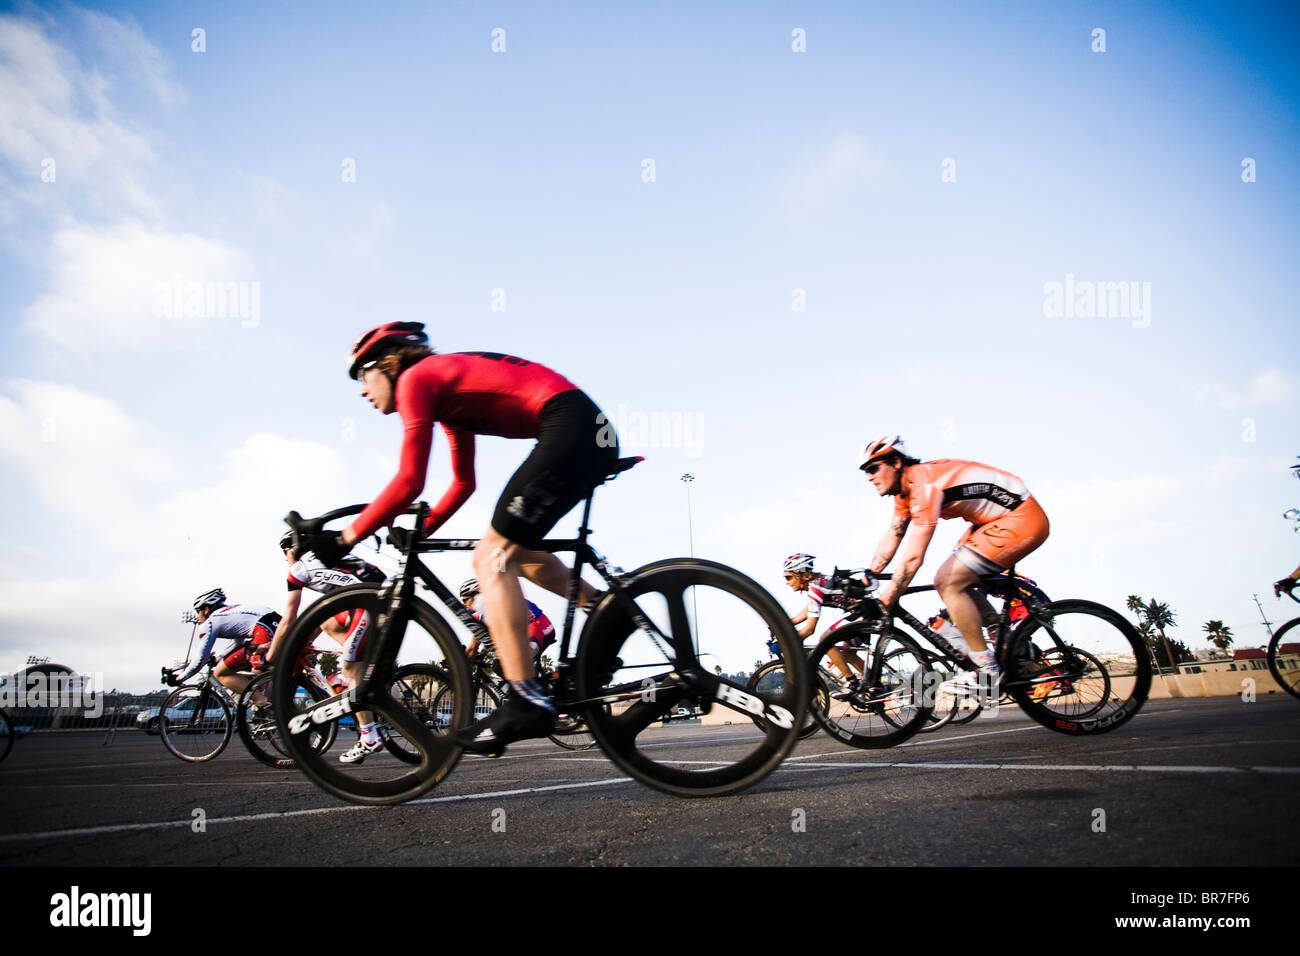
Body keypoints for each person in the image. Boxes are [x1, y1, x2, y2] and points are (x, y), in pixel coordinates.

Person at [296, 322, 618, 754]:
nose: (361, 390)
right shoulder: (445, 394)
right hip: (582, 427)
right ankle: (604, 609)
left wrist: (344, 539)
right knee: (515, 552)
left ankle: (525, 698)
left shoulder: (416, 379)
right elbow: (463, 483)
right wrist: (421, 533)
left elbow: (410, 480)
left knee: (490, 559)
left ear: (387, 363)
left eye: (362, 375)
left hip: (569, 425)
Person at [859, 435, 1050, 695]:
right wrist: (868, 576)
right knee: (959, 577)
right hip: (991, 522)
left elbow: (914, 557)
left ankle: (986, 671)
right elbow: (894, 533)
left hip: (1020, 517)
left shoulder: (924, 485)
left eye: (873, 468)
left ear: (895, 462)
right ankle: (1006, 641)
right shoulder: (904, 493)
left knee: (948, 580)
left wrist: (888, 597)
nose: (869, 476)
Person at [265, 531, 388, 764]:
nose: (285, 559)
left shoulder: (298, 570)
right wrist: (305, 641)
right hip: (380, 594)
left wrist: (271, 656)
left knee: (351, 672)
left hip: (367, 602)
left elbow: (288, 619)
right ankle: (364, 662)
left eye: (285, 553)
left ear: (292, 549)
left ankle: (369, 737)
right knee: (327, 620)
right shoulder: (322, 556)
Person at [166, 588, 281, 699]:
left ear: (206, 610)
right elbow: (236, 644)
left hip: (264, 631)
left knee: (220, 673)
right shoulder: (231, 613)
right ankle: (273, 704)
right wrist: (218, 658)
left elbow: (200, 659)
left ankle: (262, 703)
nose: (197, 616)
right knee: (256, 672)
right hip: (280, 626)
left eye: (198, 612)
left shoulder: (211, 622)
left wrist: (179, 679)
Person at [780, 554, 863, 691]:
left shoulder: (815, 589)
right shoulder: (816, 583)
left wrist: (788, 641)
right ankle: (874, 685)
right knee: (849, 654)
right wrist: (783, 624)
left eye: (788, 577)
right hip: (863, 610)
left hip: (862, 613)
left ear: (800, 575)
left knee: (826, 640)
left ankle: (852, 682)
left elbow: (809, 629)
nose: (787, 582)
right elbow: (808, 612)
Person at [458, 578, 556, 665]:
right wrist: (483, 653)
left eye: (465, 599)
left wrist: (459, 664)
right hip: (543, 627)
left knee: (502, 666)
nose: (464, 604)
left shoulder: (484, 611)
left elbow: (472, 649)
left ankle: (531, 685)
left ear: (476, 595)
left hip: (534, 631)